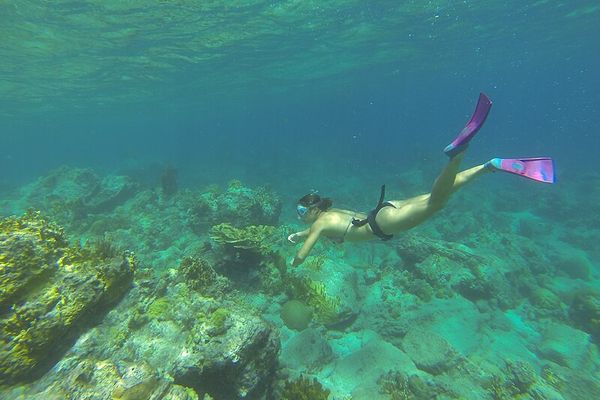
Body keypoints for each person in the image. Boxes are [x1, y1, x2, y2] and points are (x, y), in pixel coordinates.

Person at [288, 93, 555, 267]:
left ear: (313, 209)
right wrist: (297, 235)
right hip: (384, 210)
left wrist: (293, 264)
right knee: (435, 196)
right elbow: (310, 233)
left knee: (436, 203)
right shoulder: (327, 215)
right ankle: (489, 166)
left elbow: (306, 250)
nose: (300, 216)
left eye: (301, 211)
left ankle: (457, 156)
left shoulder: (320, 224)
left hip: (383, 224)